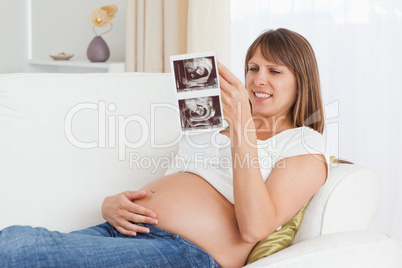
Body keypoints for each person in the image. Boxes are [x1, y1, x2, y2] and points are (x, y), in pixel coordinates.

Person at [0, 28, 328, 268]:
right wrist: (110, 205)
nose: (258, 80)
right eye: (253, 68)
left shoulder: (304, 145)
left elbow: (255, 227)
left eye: (274, 71)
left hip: (185, 253)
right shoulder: (212, 119)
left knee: (15, 247)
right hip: (122, 232)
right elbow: (178, 179)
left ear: (301, 81)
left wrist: (243, 128)